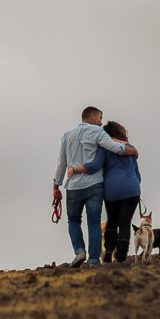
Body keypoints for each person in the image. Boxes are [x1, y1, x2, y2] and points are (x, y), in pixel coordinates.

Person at [53, 106, 138, 267]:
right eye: (99, 118)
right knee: (94, 223)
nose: (100, 122)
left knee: (73, 221)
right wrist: (132, 150)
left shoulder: (66, 135)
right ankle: (93, 261)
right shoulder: (99, 133)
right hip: (94, 185)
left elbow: (61, 163)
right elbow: (115, 149)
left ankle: (79, 251)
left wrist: (56, 185)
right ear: (92, 117)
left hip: (73, 186)